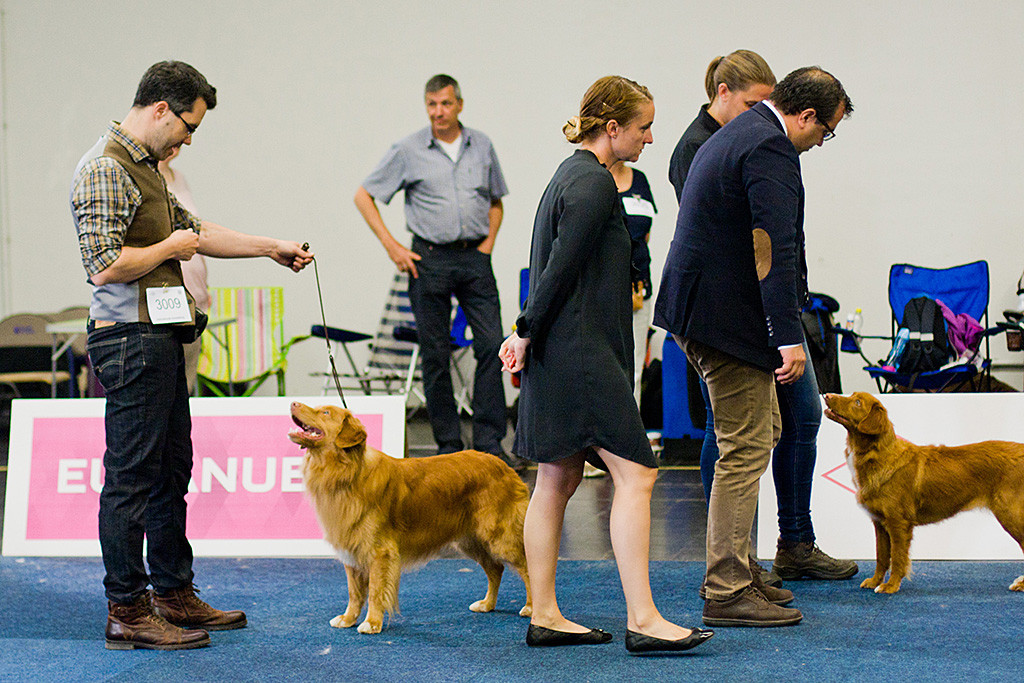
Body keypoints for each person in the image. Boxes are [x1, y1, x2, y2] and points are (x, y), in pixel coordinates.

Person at [70, 60, 312, 650]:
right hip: (129, 339)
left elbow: (198, 232)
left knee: (171, 473)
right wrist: (168, 247)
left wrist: (269, 248)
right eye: (187, 125)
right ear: (160, 109)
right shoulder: (106, 167)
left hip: (160, 339)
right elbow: (103, 265)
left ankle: (173, 593)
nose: (187, 138)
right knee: (131, 481)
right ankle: (127, 610)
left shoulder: (148, 169)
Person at [500, 75, 712, 653]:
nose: (649, 138)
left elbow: (552, 270)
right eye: (644, 127)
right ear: (612, 127)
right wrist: (523, 330)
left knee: (557, 477)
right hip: (581, 354)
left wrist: (527, 334)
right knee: (637, 474)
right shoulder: (594, 186)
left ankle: (544, 612)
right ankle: (643, 619)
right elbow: (558, 272)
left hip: (562, 352)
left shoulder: (566, 177)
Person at [654, 66, 853, 627]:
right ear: (807, 115)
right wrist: (788, 335)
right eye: (826, 131)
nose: (820, 142)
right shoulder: (770, 147)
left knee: (764, 431)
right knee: (744, 446)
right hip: (723, 320)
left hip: (706, 310)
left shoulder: (739, 134)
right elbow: (772, 246)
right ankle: (726, 588)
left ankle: (741, 568)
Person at [354, 74, 517, 469]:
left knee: (492, 345)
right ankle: (448, 447)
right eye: (431, 105)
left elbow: (496, 201)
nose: (438, 112)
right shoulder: (408, 150)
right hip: (428, 259)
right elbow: (364, 196)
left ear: (459, 104)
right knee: (435, 354)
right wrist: (393, 247)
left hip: (474, 258)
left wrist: (488, 244)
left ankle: (490, 445)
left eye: (445, 104)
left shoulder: (482, 145)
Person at [158, 146, 208, 395]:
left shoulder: (180, 178)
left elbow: (197, 233)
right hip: (165, 298)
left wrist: (204, 282)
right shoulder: (147, 179)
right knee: (168, 386)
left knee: (186, 384)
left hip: (194, 296)